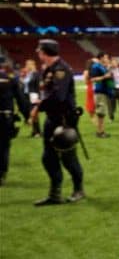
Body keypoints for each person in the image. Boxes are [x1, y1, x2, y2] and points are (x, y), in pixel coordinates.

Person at [29, 39, 84, 205]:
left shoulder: (61, 70)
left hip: (64, 120)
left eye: (40, 51)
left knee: (68, 158)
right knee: (48, 158)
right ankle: (55, 195)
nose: (38, 54)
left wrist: (38, 107)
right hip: (52, 119)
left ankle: (78, 190)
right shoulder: (49, 70)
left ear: (45, 52)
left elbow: (58, 97)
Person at [0, 57, 28, 186]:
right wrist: (27, 116)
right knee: (4, 147)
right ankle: (1, 175)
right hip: (5, 117)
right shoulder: (11, 80)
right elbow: (21, 100)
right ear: (4, 65)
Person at [89, 52, 112, 137]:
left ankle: (101, 131)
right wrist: (104, 77)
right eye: (106, 57)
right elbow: (92, 79)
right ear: (101, 58)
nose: (107, 59)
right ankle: (100, 132)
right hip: (100, 92)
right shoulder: (96, 66)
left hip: (104, 91)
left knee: (102, 113)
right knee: (101, 113)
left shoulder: (101, 66)